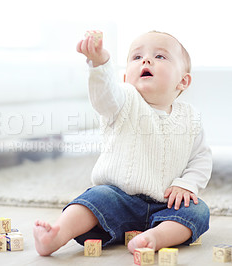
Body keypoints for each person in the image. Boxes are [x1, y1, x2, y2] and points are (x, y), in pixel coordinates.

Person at [33, 30, 213, 256]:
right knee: (96, 197)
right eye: (137, 57)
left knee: (198, 211)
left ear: (183, 81)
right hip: (117, 200)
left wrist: (187, 185)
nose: (146, 60)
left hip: (165, 205)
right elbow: (104, 96)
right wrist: (99, 64)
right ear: (126, 78)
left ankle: (154, 238)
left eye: (160, 56)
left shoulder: (190, 117)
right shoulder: (123, 101)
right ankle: (56, 235)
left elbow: (201, 158)